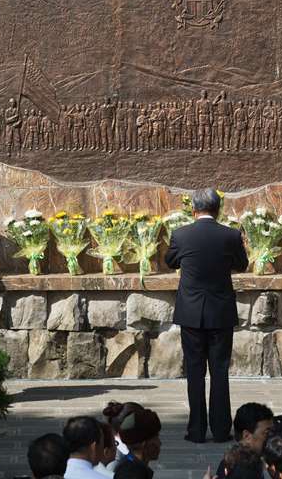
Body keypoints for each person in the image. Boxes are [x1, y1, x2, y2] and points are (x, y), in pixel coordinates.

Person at [165, 188, 248, 443]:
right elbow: (242, 265)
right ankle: (222, 430)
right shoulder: (230, 235)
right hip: (220, 313)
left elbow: (170, 261)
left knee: (195, 372)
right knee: (220, 372)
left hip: (191, 314)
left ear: (194, 210)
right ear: (218, 209)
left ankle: (197, 430)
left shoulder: (181, 234)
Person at [115, 408, 161, 476]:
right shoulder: (135, 474)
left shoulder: (128, 469)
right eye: (156, 438)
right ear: (143, 444)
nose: (160, 443)